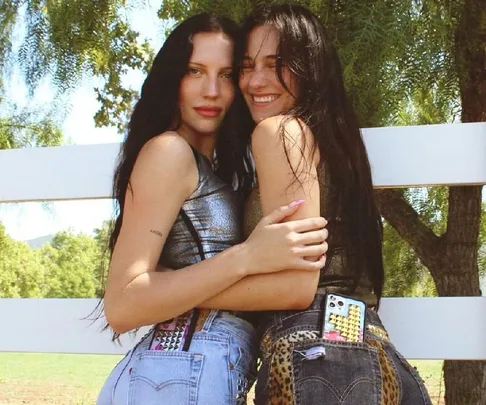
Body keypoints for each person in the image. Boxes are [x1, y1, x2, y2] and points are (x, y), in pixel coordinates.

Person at [96, 12, 329, 405]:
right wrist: (247, 257)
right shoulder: (168, 152)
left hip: (193, 367)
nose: (212, 91)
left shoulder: (218, 171)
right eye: (195, 71)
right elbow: (121, 304)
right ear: (174, 79)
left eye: (225, 74)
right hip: (178, 368)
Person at [237, 4, 433, 405]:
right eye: (246, 65)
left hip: (316, 360)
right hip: (372, 350)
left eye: (276, 64)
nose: (256, 80)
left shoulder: (279, 131)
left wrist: (185, 290)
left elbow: (295, 288)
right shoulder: (336, 145)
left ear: (310, 68)